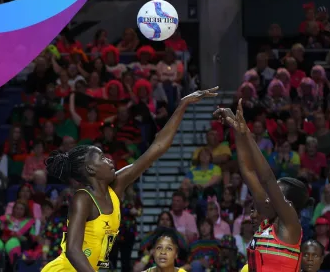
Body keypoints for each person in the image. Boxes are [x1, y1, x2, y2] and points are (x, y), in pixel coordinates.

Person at [41, 87, 219, 272]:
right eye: (101, 158)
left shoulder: (116, 186)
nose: (109, 159)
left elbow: (157, 147)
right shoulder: (83, 198)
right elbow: (73, 251)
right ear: (90, 169)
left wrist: (183, 104)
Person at [214, 100, 310, 272]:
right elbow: (248, 172)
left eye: (274, 194)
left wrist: (248, 134)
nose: (267, 196)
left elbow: (267, 178)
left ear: (289, 204)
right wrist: (236, 129)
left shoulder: (291, 225)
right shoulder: (267, 221)